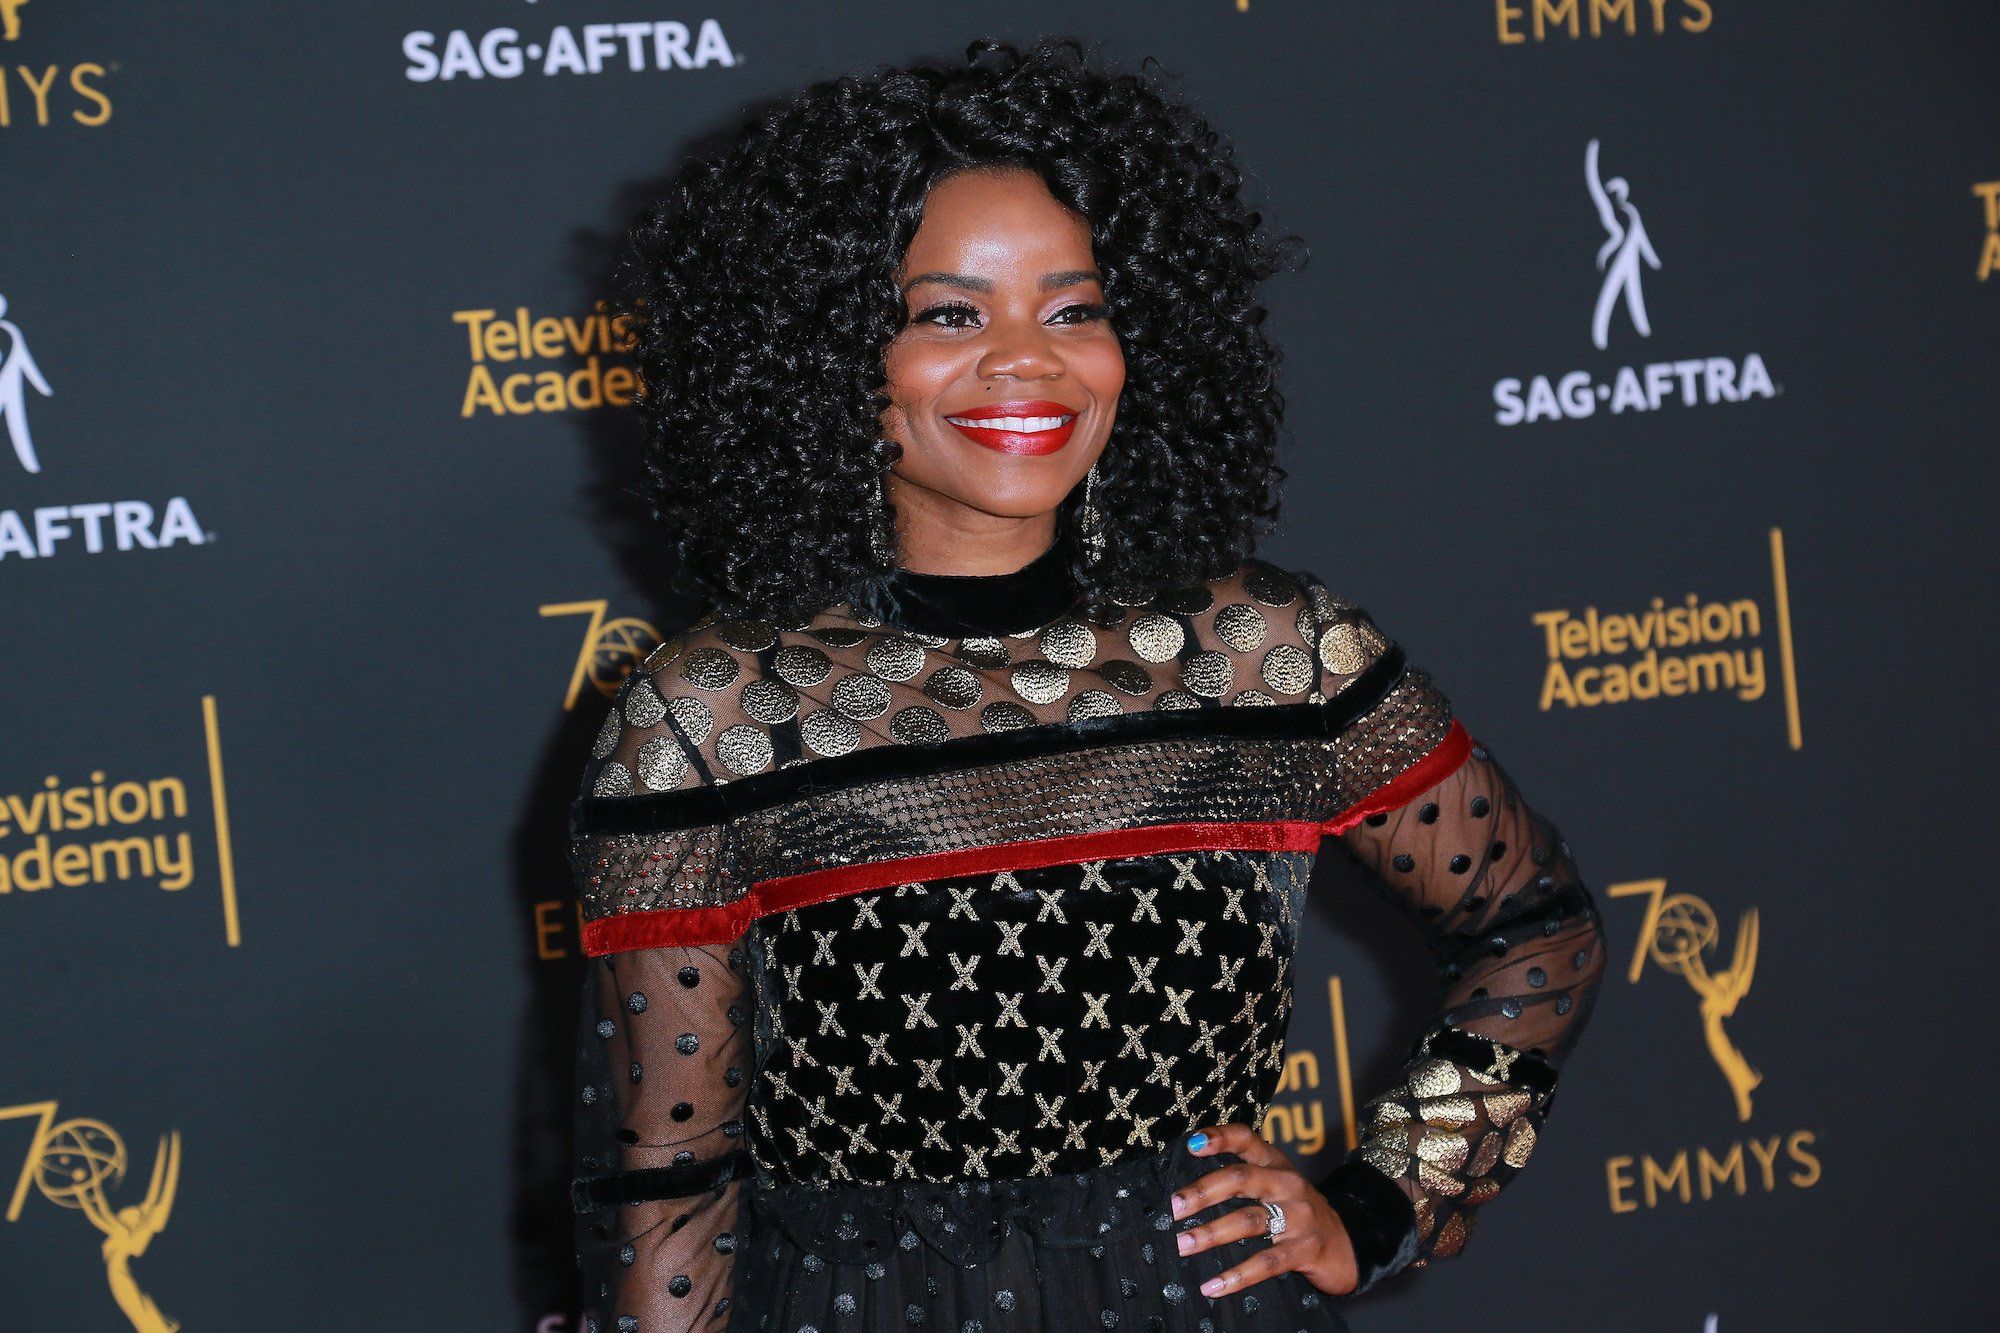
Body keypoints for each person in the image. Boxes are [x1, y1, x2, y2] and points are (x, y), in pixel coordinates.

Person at [564, 37, 1606, 1332]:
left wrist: (1385, 1201)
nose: (1028, 361)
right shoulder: (711, 719)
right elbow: (666, 1190)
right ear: (828, 352)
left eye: (1073, 311)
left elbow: (1536, 931)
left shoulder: (1268, 655)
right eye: (950, 314)